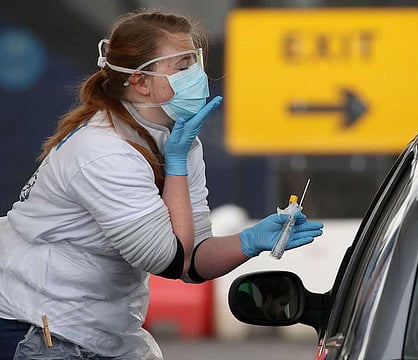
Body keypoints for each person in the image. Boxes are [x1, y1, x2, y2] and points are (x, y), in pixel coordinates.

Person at [0, 8, 324, 360]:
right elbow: (170, 261)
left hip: (98, 332)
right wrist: (177, 164)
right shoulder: (103, 151)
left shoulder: (177, 138)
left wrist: (250, 241)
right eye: (182, 66)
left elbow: (195, 259)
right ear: (140, 81)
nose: (197, 75)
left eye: (195, 61)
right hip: (38, 326)